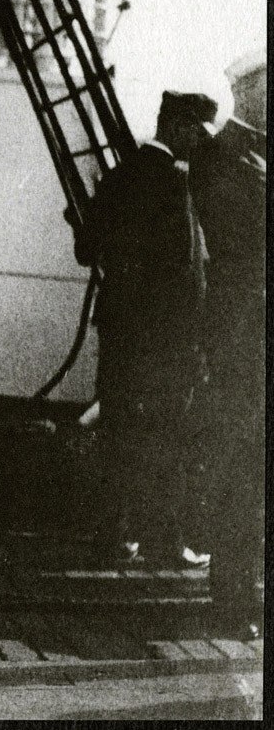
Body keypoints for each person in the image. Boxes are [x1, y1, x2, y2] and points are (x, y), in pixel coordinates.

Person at [72, 91, 213, 566]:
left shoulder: (119, 176)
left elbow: (87, 248)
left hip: (120, 329)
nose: (200, 140)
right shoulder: (172, 184)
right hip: (161, 340)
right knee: (166, 437)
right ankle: (163, 542)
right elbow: (181, 272)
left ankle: (110, 537)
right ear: (178, 126)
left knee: (117, 432)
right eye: (197, 130)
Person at [189, 110, 266, 638]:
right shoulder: (233, 165)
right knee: (244, 480)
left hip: (246, 351)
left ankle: (237, 600)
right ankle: (233, 602)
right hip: (246, 356)